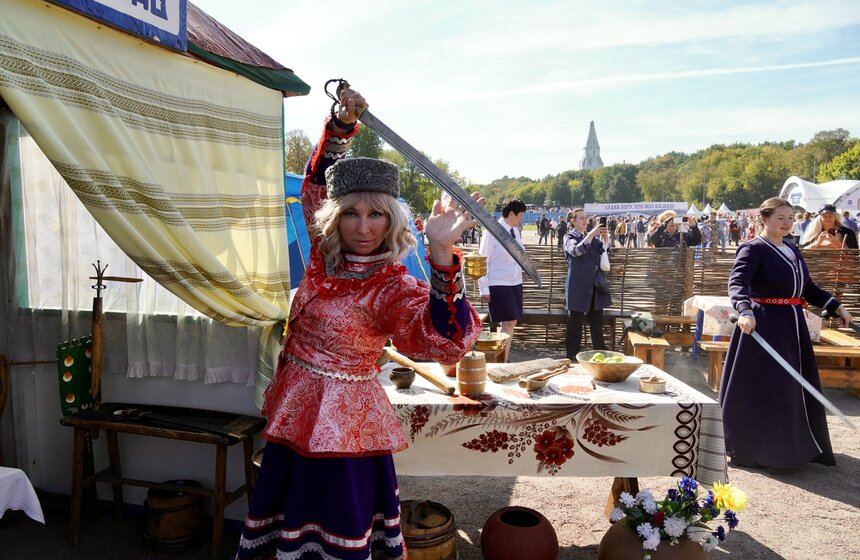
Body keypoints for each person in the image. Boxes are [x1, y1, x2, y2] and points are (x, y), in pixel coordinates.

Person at [236, 88, 482, 560]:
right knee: (286, 527)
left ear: (391, 221)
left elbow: (448, 342)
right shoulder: (320, 261)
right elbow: (312, 186)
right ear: (334, 218)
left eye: (375, 215)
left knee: (339, 536)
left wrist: (442, 256)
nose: (363, 227)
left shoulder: (391, 285)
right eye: (350, 213)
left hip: (347, 434)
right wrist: (341, 127)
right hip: (294, 418)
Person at [719, 197, 852, 469]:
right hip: (764, 327)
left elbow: (807, 288)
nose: (787, 222)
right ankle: (758, 451)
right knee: (770, 389)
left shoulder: (793, 250)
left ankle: (795, 447)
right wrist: (745, 311)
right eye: (780, 217)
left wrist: (836, 306)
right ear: (764, 219)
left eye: (790, 217)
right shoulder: (753, 249)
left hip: (792, 328)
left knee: (791, 389)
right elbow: (737, 284)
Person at [479, 198, 527, 362]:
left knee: (510, 322)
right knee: (508, 322)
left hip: (515, 282)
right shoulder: (492, 232)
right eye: (520, 215)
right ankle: (502, 361)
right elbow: (482, 260)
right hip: (499, 283)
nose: (521, 219)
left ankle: (501, 358)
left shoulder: (516, 232)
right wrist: (484, 288)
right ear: (511, 213)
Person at [563, 209, 611, 359]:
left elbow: (605, 252)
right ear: (573, 220)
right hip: (577, 285)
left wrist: (605, 239)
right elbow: (576, 251)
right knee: (575, 321)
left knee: (596, 322)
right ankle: (572, 356)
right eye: (581, 218)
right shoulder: (569, 237)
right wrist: (592, 234)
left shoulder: (591, 237)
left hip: (594, 286)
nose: (585, 221)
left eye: (586, 218)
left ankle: (601, 354)